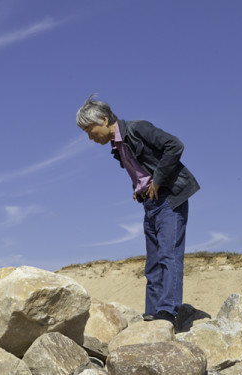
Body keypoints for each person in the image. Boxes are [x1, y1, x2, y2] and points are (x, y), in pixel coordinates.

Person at [75, 95, 200, 329]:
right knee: (152, 262)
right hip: (150, 203)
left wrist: (158, 181)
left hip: (169, 198)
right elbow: (142, 167)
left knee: (168, 255)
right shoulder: (117, 146)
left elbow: (175, 146)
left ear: (103, 119)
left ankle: (167, 311)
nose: (89, 136)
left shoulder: (137, 129)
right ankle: (152, 312)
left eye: (89, 130)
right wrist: (139, 187)